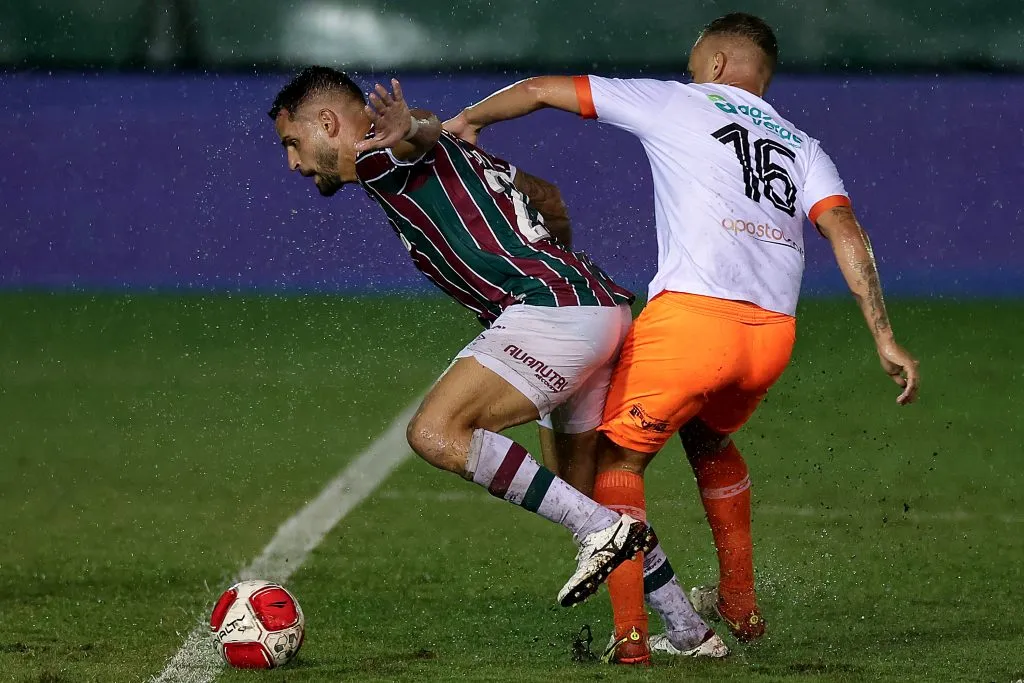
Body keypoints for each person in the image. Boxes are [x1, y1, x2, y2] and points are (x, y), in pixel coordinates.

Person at [445, 12, 921, 665]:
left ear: (718, 63)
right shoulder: (803, 146)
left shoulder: (678, 101)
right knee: (709, 438)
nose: (690, 70)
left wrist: (468, 120)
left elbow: (539, 89)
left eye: (696, 60)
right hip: (771, 339)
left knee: (614, 463)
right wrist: (884, 335)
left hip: (693, 326)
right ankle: (740, 603)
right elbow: (845, 229)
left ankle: (632, 636)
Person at [267, 65, 667, 618]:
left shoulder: (380, 152)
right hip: (597, 307)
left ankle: (600, 530)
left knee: (435, 432)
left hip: (553, 312)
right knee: (581, 488)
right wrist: (554, 271)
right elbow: (548, 198)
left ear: (329, 123)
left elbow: (416, 135)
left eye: (292, 142)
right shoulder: (458, 150)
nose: (293, 163)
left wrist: (413, 128)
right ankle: (690, 630)